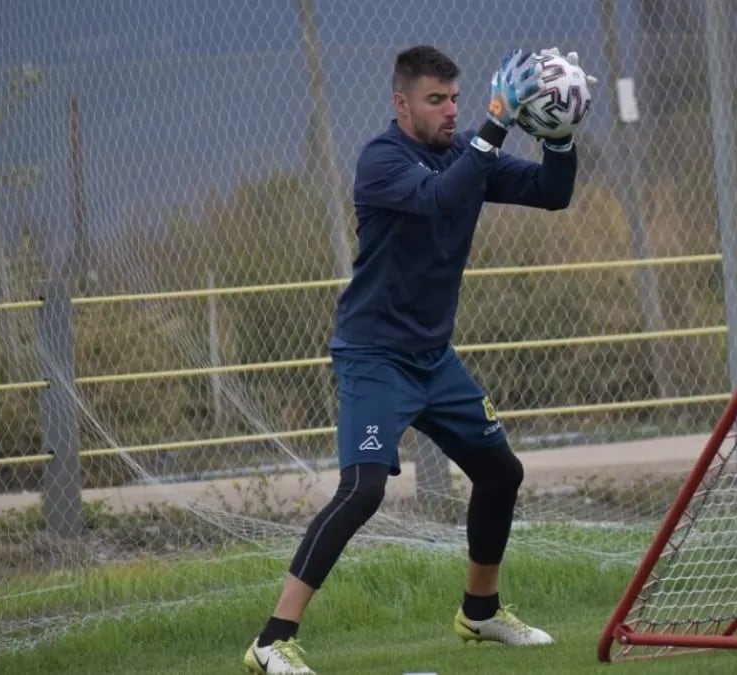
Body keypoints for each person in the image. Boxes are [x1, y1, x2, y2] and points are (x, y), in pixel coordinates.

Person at [244, 44, 591, 675]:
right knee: (363, 490)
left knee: (500, 474)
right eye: (436, 100)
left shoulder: (467, 151)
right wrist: (495, 123)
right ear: (402, 104)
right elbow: (439, 198)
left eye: (455, 98)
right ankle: (272, 641)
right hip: (375, 357)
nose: (450, 111)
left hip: (434, 359)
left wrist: (561, 135)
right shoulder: (382, 161)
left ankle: (480, 613)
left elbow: (550, 193)